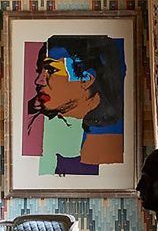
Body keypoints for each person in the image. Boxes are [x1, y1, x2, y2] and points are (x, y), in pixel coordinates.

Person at [28, 34, 126, 176]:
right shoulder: (36, 125)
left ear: (85, 79)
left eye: (51, 70)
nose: (39, 81)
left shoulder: (109, 138)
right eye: (40, 71)